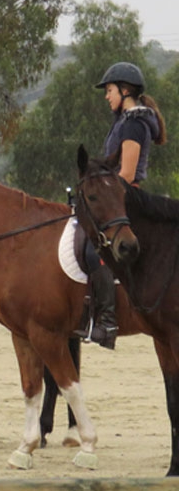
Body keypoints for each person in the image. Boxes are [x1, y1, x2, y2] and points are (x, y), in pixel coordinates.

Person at [76, 62, 167, 349]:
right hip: (115, 195)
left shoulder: (133, 123)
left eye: (110, 90)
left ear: (125, 91)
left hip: (126, 197)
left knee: (96, 249)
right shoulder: (123, 121)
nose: (107, 96)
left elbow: (126, 174)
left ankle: (108, 319)